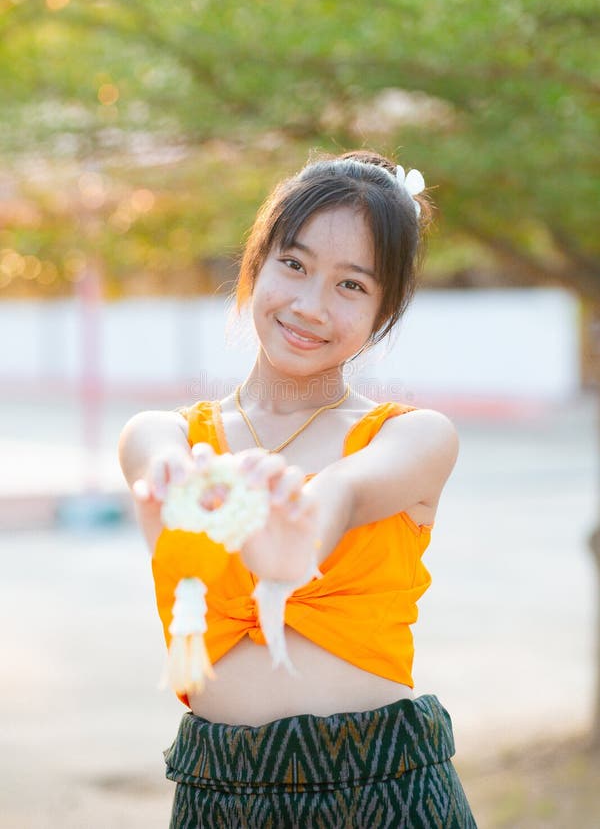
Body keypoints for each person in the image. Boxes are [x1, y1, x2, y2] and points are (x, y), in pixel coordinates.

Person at [118, 150, 477, 827]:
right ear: (255, 265)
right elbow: (164, 486)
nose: (311, 305)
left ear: (384, 311)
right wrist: (182, 494)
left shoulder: (415, 437)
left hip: (383, 788)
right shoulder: (162, 436)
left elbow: (339, 493)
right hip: (218, 793)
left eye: (352, 286)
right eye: (295, 264)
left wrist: (293, 537)